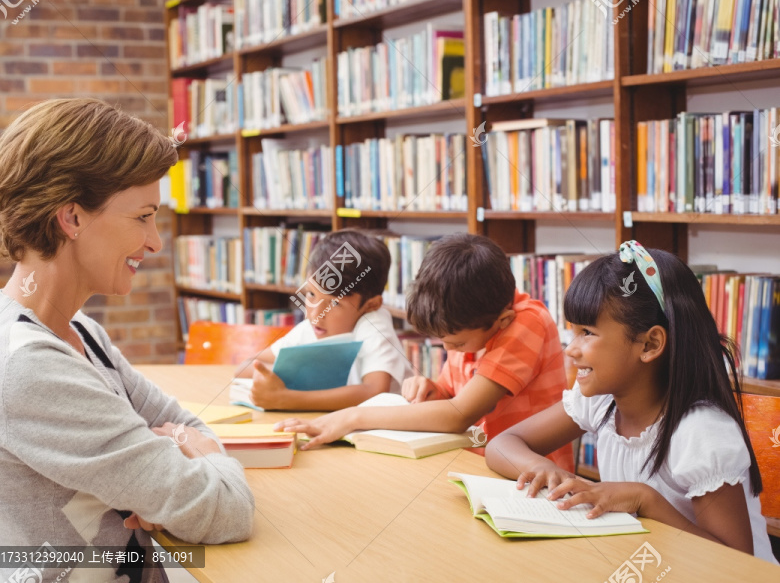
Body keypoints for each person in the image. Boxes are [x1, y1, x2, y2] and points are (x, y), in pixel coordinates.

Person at [0, 98, 254, 583]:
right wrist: (205, 458)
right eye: (142, 217)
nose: (155, 242)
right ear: (71, 218)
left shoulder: (80, 333)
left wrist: (178, 449)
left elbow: (179, 423)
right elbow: (224, 510)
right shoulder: (26, 367)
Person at [485, 241, 778, 563]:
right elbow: (502, 445)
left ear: (650, 344)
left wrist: (645, 500)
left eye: (587, 333)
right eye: (572, 332)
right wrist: (542, 468)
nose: (571, 349)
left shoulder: (701, 433)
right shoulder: (601, 403)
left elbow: (734, 564)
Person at [275, 233, 573, 472]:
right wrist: (432, 389)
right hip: (474, 465)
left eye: (456, 345)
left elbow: (460, 415)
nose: (448, 349)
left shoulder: (527, 323)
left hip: (531, 476)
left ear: (501, 321)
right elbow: (451, 394)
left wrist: (354, 417)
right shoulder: (464, 317)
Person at [240, 229, 409, 410]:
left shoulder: (374, 324)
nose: (315, 313)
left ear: (371, 305)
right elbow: (245, 367)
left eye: (335, 304)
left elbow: (375, 391)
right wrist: (276, 379)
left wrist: (285, 398)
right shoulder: (309, 329)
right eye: (311, 294)